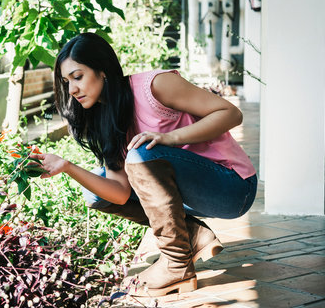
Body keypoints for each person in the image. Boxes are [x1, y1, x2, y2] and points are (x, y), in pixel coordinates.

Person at [30, 32, 257, 297]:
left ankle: (176, 263)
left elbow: (231, 113)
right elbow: (119, 192)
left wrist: (169, 138)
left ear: (102, 71)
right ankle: (193, 237)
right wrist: (67, 166)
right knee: (95, 192)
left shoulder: (155, 86)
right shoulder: (105, 117)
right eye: (66, 81)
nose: (72, 90)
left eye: (78, 77)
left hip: (232, 187)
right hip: (188, 193)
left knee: (141, 155)